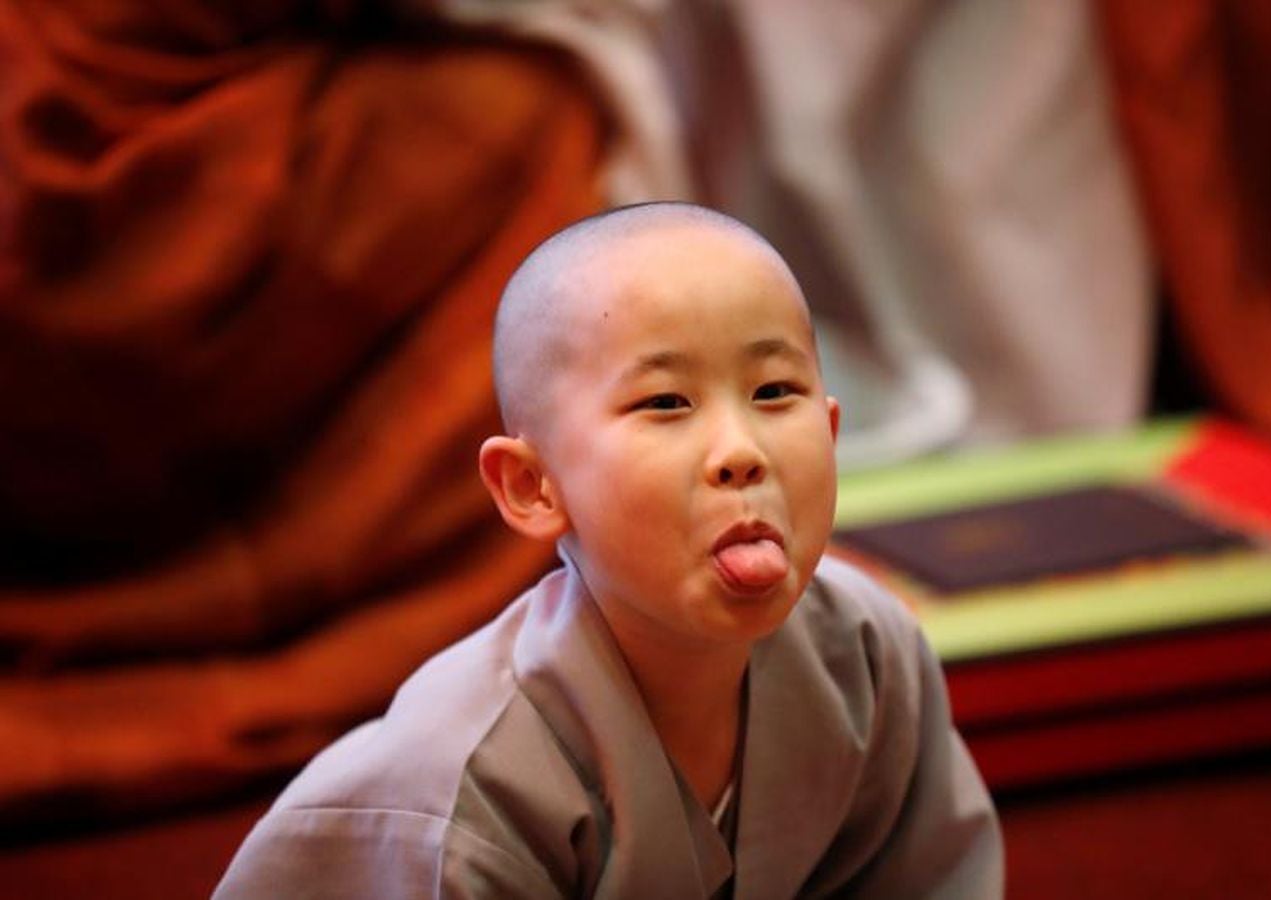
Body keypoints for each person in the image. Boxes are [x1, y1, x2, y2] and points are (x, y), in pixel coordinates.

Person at [213, 202, 1002, 898]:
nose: (741, 451)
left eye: (773, 392)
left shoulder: (864, 653)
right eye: (665, 402)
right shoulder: (469, 785)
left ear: (829, 434)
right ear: (532, 486)